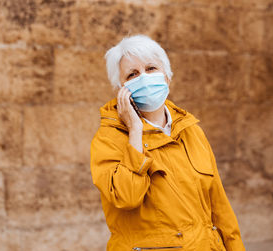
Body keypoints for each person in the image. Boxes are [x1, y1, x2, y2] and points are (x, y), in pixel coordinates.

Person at [90, 34, 245, 251]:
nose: (144, 77)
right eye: (132, 74)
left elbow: (219, 206)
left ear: (167, 78)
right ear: (121, 90)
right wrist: (135, 130)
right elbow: (126, 197)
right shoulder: (108, 139)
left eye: (151, 68)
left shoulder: (191, 131)